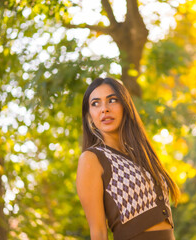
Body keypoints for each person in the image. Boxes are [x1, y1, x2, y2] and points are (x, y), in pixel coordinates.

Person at [76, 77, 180, 240]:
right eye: (95, 103)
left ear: (125, 105)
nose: (104, 109)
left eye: (112, 100)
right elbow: (98, 232)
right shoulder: (92, 159)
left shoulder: (142, 154)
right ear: (90, 117)